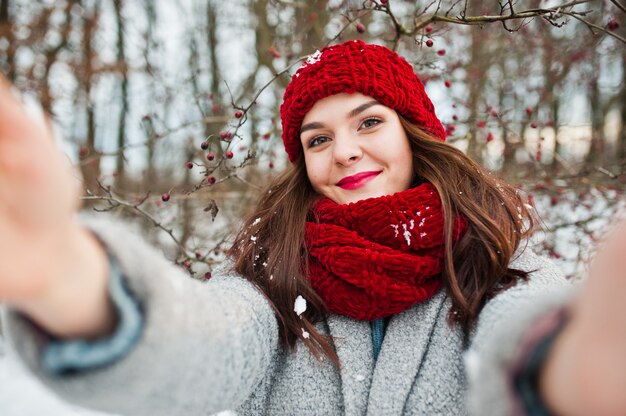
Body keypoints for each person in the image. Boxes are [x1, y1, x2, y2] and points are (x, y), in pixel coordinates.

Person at [0, 39, 624, 416]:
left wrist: (568, 371)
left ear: (415, 133)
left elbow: (523, 340)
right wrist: (72, 282)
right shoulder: (273, 278)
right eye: (318, 138)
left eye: (369, 122)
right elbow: (205, 341)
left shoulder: (494, 262)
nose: (345, 151)